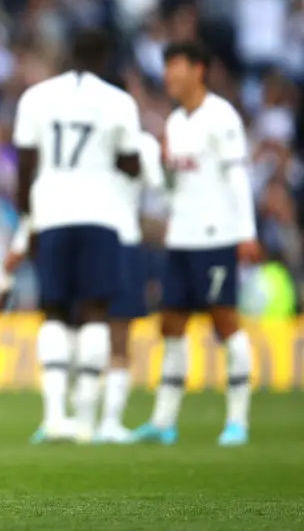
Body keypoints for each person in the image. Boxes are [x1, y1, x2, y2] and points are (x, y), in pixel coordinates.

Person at [9, 29, 142, 444]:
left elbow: (25, 166)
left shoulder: (37, 97)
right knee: (94, 312)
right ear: (105, 59)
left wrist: (29, 219)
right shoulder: (119, 101)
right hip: (100, 215)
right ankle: (87, 421)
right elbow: (132, 164)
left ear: (67, 56)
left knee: (53, 311)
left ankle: (54, 418)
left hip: (51, 213)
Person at [133, 42, 261, 447]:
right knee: (170, 324)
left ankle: (237, 421)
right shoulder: (174, 122)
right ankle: (164, 421)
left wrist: (246, 232)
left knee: (225, 323)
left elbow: (237, 177)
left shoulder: (221, 116)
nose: (169, 75)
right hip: (181, 236)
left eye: (176, 66)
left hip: (216, 235)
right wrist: (161, 166)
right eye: (167, 67)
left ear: (198, 70)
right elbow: (173, 188)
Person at [95, 130, 165, 443]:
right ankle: (105, 421)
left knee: (89, 331)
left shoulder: (87, 133)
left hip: (95, 239)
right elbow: (157, 189)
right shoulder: (142, 142)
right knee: (113, 337)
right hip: (121, 239)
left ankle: (86, 419)